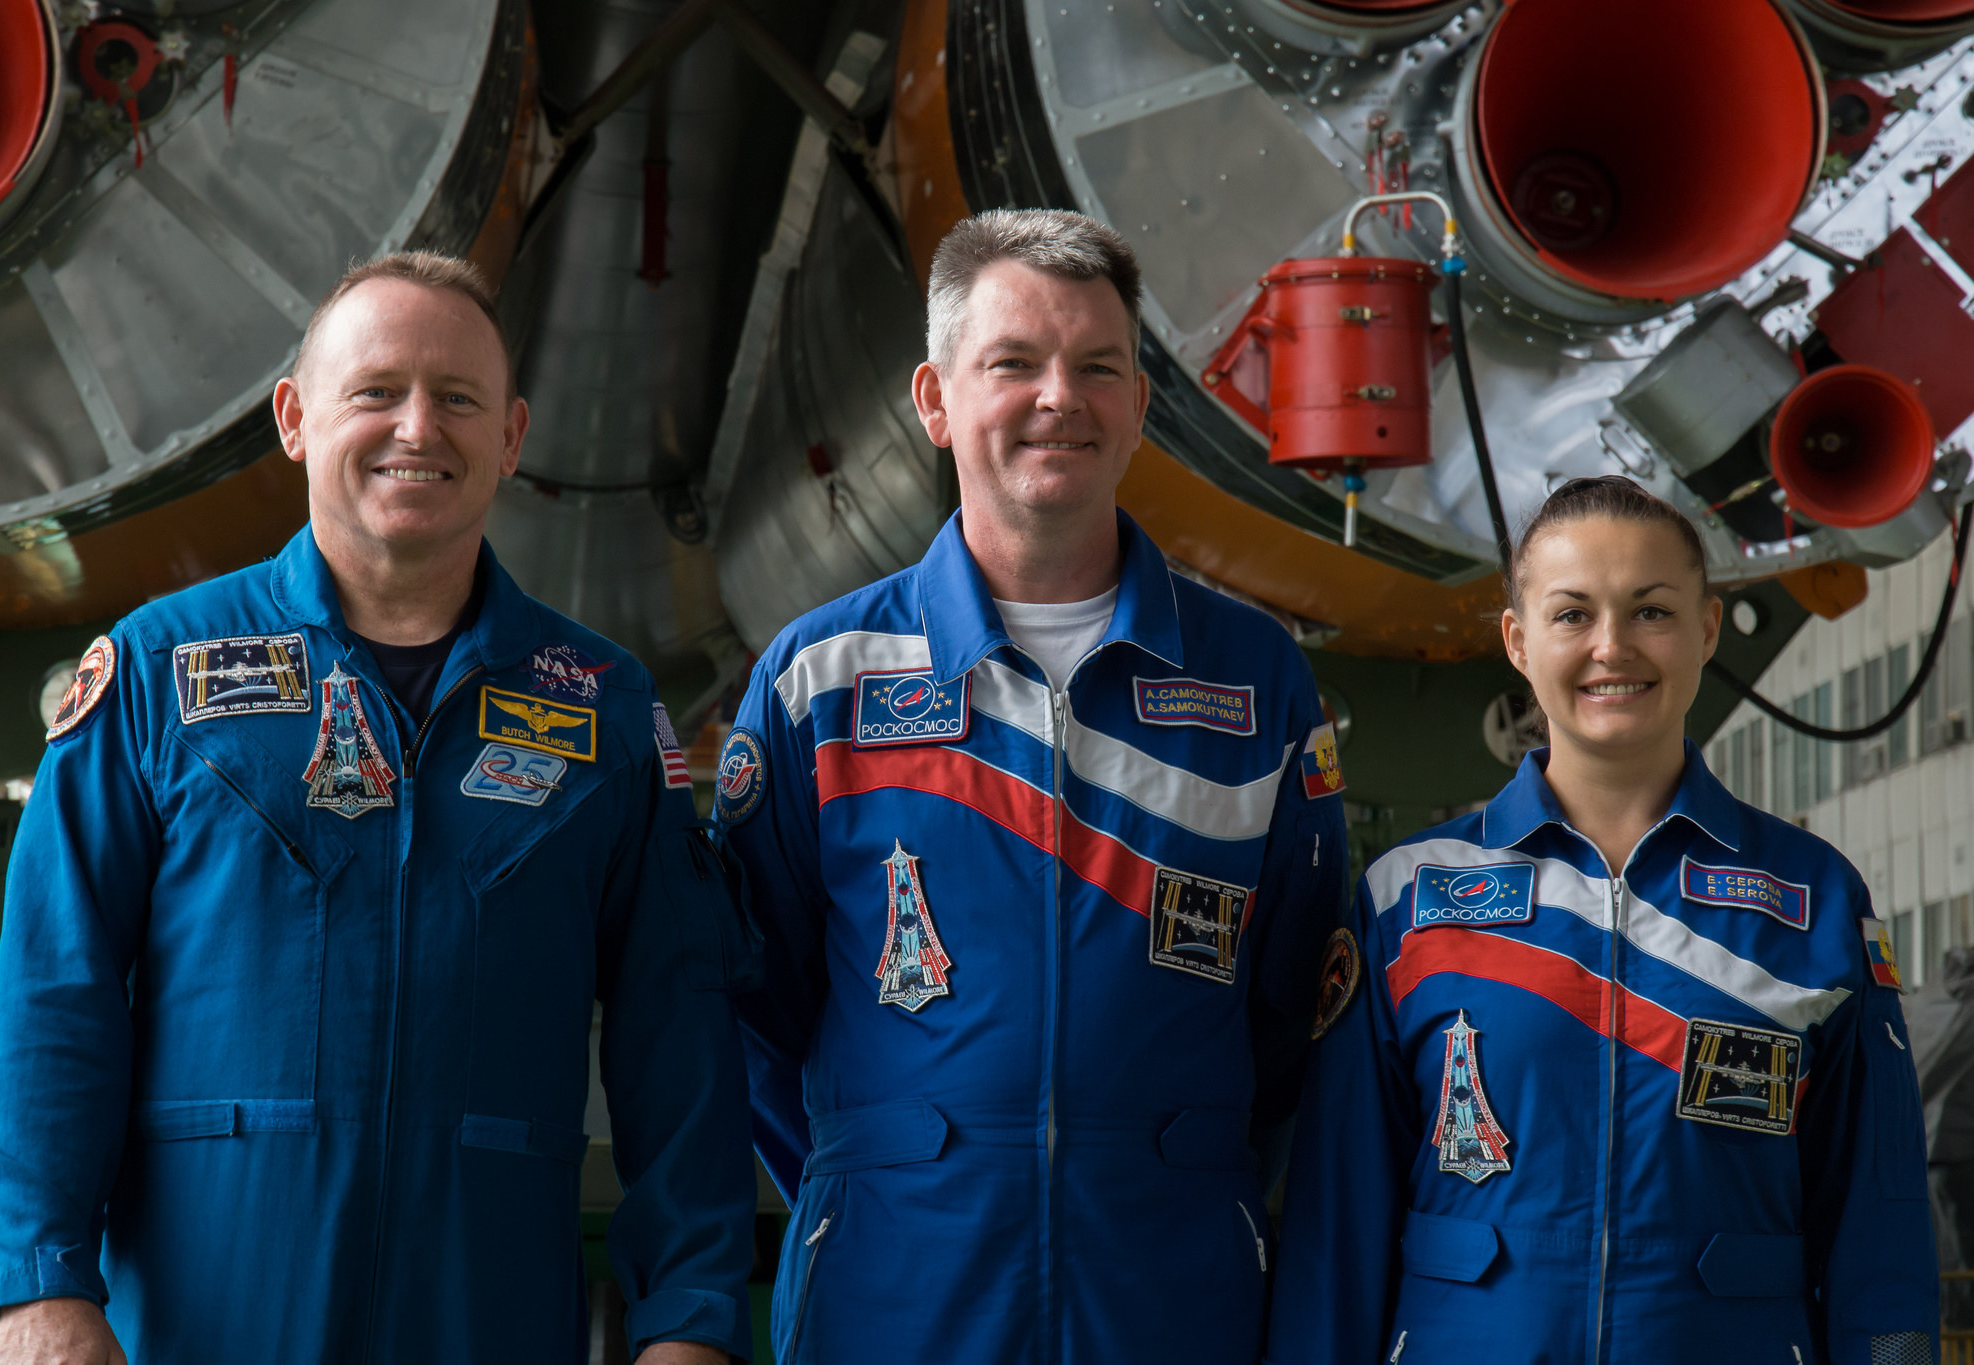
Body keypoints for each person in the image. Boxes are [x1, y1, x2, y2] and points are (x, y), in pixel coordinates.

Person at [0, 252, 758, 1365]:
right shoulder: (158, 674)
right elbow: (58, 991)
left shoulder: (603, 709)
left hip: (482, 1316)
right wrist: (43, 1285)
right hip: (207, 1321)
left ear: (512, 438)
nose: (417, 428)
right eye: (376, 391)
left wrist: (690, 1320)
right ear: (294, 418)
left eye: (458, 399)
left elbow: (675, 1040)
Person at [714, 208, 1349, 1364]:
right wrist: (882, 1177)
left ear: (1139, 407)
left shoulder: (1250, 681)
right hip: (892, 1295)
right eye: (1012, 363)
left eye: (1096, 367)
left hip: (1172, 1294)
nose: (1058, 396)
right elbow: (756, 1005)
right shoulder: (821, 682)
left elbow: (1296, 1009)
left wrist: (1172, 1168)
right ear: (934, 399)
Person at [1269, 476, 1938, 1364]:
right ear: (1517, 640)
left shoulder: (1812, 902)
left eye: (1652, 611)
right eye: (1572, 613)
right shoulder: (1408, 897)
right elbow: (1336, 1214)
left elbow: (1879, 1217)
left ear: (1706, 629)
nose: (1612, 647)